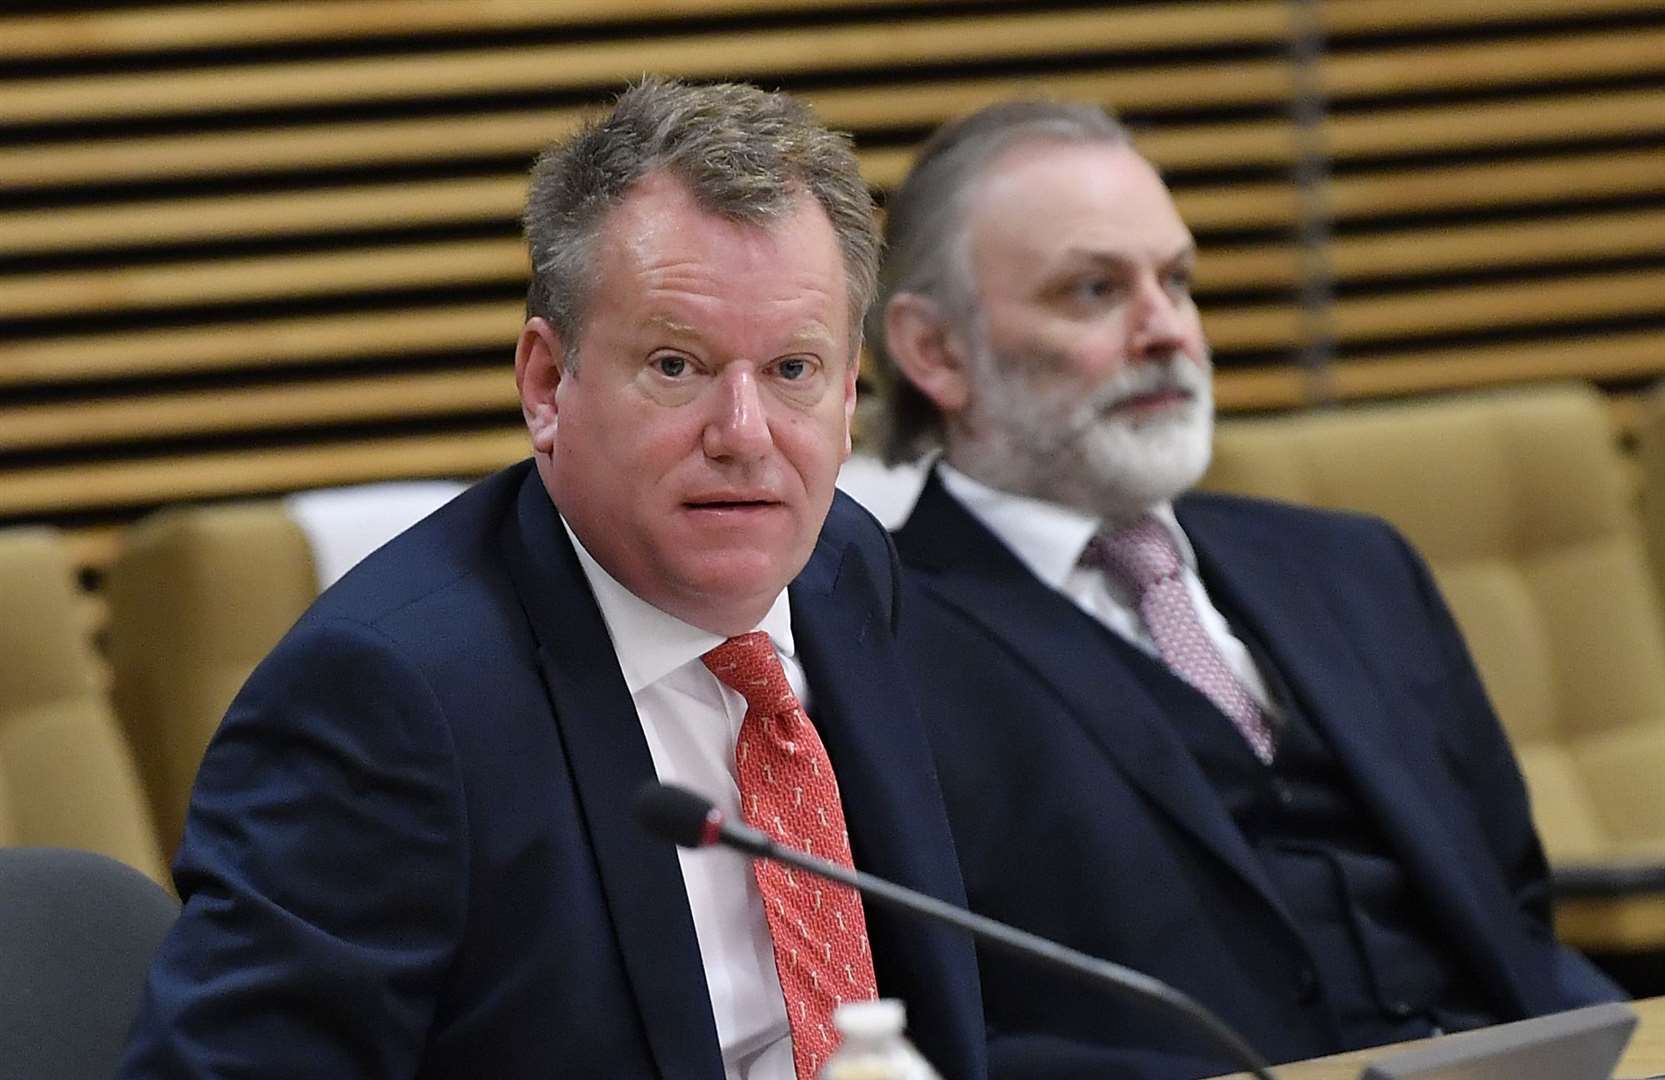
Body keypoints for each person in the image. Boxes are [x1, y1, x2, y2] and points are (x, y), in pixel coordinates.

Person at [119, 78, 986, 1080]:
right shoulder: (388, 703)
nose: (744, 438)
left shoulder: (843, 567)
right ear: (546, 386)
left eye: (793, 370)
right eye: (676, 365)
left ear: (848, 398)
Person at [869, 99, 1623, 1079]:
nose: (1167, 330)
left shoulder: (1357, 568)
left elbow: (1511, 907)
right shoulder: (870, 636)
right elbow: (931, 1023)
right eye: (1095, 290)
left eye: (1177, 281)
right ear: (934, 352)